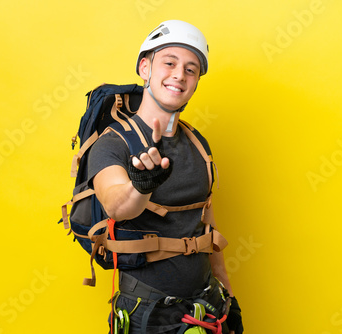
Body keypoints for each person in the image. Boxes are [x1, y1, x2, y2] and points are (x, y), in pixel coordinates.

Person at [88, 20, 243, 334]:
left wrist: (228, 295)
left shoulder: (198, 144)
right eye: (169, 63)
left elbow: (207, 225)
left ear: (197, 80)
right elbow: (116, 206)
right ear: (145, 68)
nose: (179, 75)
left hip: (205, 306)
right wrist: (141, 185)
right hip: (148, 313)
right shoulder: (112, 144)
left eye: (191, 69)